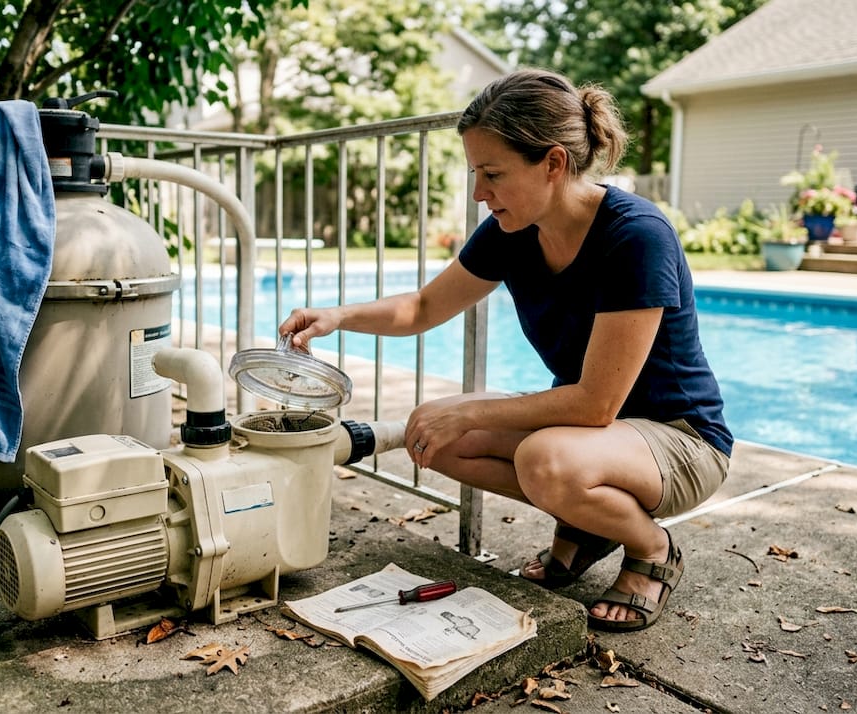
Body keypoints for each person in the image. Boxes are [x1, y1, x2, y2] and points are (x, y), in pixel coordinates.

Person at [278, 68, 731, 632]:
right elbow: (423, 308)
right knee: (432, 433)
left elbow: (595, 404)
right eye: (475, 172)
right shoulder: (512, 228)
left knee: (543, 460)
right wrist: (338, 317)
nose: (477, 193)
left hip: (680, 440)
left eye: (492, 173)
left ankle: (652, 549)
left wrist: (469, 408)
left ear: (553, 163)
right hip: (595, 435)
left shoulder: (636, 235)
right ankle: (588, 523)